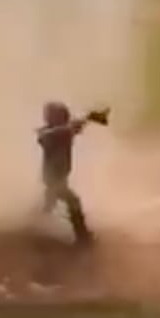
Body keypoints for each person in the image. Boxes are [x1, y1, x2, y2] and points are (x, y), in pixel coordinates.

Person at [36, 101, 109, 246]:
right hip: (54, 179)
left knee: (49, 204)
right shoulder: (51, 134)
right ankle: (83, 237)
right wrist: (87, 118)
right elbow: (49, 135)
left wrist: (88, 118)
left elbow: (72, 127)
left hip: (59, 177)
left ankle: (32, 229)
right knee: (73, 202)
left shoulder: (62, 131)